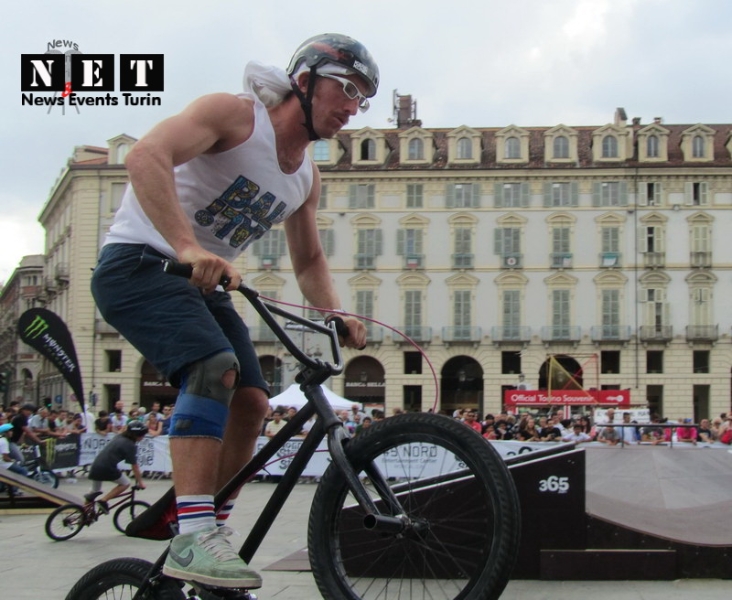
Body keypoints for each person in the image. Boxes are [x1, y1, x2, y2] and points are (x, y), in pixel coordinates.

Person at [90, 34, 376, 588]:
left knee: (251, 401)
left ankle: (209, 533)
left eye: (361, 99)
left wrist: (333, 312)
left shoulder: (305, 176)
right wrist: (189, 245)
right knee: (213, 365)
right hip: (138, 265)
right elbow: (147, 154)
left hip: (200, 284)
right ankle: (193, 536)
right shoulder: (236, 116)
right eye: (345, 88)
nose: (350, 107)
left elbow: (310, 255)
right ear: (304, 80)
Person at [84, 420, 148, 513]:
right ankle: (103, 500)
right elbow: (135, 467)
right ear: (136, 435)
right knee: (125, 483)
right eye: (142, 435)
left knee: (95, 491)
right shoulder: (130, 445)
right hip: (107, 468)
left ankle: (83, 513)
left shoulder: (120, 436)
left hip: (96, 465)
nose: (143, 437)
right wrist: (140, 483)